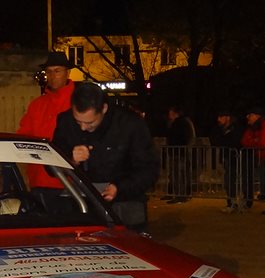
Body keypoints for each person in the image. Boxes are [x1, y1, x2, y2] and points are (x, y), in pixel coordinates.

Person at [52, 82, 159, 232]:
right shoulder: (65, 122)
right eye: (78, 122)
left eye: (89, 122)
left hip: (125, 207)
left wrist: (119, 187)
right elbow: (50, 165)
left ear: (104, 108)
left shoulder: (130, 125)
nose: (83, 128)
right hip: (82, 206)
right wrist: (71, 160)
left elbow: (149, 170)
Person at [17, 51, 75, 189]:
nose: (52, 76)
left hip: (70, 183)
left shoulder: (77, 101)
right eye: (48, 72)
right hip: (39, 179)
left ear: (67, 73)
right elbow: (23, 136)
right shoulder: (37, 104)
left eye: (57, 71)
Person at [241, 107, 265, 212]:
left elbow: (263, 143)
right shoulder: (255, 126)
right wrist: (255, 141)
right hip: (262, 156)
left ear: (257, 116)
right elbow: (244, 141)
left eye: (250, 115)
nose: (247, 117)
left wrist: (253, 141)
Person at [209, 108, 243, 212]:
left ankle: (235, 203)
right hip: (226, 157)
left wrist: (223, 141)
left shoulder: (235, 128)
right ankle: (231, 202)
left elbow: (233, 142)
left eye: (221, 117)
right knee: (228, 181)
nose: (218, 119)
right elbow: (215, 141)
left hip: (234, 157)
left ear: (227, 118)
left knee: (232, 181)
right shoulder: (220, 129)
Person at [163, 106, 196, 204]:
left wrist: (183, 147)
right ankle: (175, 193)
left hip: (180, 152)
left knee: (179, 174)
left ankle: (180, 195)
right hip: (176, 151)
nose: (169, 115)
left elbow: (184, 137)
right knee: (175, 174)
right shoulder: (179, 122)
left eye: (170, 113)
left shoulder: (181, 123)